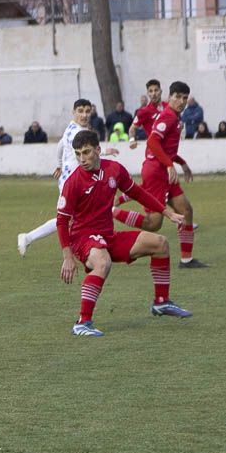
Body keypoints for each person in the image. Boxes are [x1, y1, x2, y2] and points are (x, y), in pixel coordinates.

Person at [57, 129, 190, 337]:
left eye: (86, 152)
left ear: (98, 150)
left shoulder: (115, 170)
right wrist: (67, 257)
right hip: (83, 239)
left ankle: (161, 303)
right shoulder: (73, 183)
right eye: (78, 154)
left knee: (161, 244)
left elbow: (137, 193)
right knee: (102, 262)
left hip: (107, 236)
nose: (82, 159)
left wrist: (166, 212)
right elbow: (62, 221)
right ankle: (82, 323)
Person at [113, 81, 206, 268]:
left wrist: (181, 163)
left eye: (184, 98)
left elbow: (167, 148)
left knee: (186, 210)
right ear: (169, 97)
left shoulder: (173, 116)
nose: (181, 101)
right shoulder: (167, 117)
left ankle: (186, 260)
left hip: (164, 169)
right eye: (177, 97)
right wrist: (170, 165)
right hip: (156, 171)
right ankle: (112, 211)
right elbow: (153, 143)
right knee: (153, 224)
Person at [18, 99, 117, 257]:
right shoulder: (77, 131)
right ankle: (29, 237)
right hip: (71, 182)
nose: (84, 115)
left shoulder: (70, 127)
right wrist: (104, 150)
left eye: (87, 111)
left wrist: (58, 164)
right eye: (80, 111)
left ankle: (93, 245)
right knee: (65, 219)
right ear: (74, 112)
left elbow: (60, 145)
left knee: (72, 218)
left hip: (72, 179)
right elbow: (85, 148)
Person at [129, 81, 162, 148]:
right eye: (151, 91)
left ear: (160, 91)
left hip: (168, 149)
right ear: (148, 94)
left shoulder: (167, 107)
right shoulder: (144, 111)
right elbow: (132, 129)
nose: (154, 94)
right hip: (153, 150)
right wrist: (132, 140)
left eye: (156, 90)